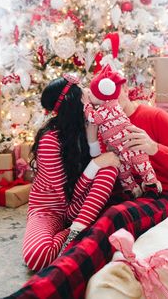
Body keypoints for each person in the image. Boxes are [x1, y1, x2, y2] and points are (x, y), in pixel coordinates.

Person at [4, 81, 168, 299]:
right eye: (98, 95)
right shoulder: (95, 125)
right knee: (106, 204)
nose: (108, 99)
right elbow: (88, 173)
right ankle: (76, 241)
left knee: (114, 214)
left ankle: (45, 287)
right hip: (91, 200)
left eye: (113, 92)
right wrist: (96, 161)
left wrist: (154, 148)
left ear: (126, 91)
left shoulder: (155, 117)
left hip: (161, 191)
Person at [22, 73, 120, 270]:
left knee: (109, 168)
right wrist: (95, 165)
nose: (87, 94)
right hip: (51, 209)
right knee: (37, 257)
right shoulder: (50, 141)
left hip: (79, 209)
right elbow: (65, 197)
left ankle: (77, 230)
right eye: (81, 91)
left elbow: (101, 165)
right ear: (73, 101)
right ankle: (76, 233)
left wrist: (93, 142)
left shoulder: (89, 124)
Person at [84, 64, 161, 198]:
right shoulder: (107, 111)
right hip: (118, 151)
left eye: (93, 94)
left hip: (130, 147)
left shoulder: (105, 110)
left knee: (140, 164)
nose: (91, 97)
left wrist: (86, 104)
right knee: (124, 170)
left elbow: (93, 117)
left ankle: (151, 185)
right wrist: (92, 140)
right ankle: (131, 189)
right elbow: (98, 157)